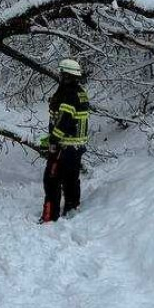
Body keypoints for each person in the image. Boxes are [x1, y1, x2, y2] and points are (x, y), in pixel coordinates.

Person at [39, 58, 91, 224]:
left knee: (52, 180)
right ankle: (71, 208)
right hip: (76, 146)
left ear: (67, 75)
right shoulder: (80, 92)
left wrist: (53, 139)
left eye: (62, 73)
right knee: (71, 179)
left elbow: (65, 120)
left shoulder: (68, 94)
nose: (60, 76)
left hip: (64, 146)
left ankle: (50, 216)